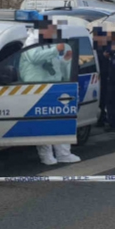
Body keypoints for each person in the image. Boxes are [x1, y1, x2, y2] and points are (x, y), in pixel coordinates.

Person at [20, 23, 81, 165]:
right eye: (51, 29)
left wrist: (65, 60)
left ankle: (63, 154)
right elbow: (35, 58)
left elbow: (56, 66)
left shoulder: (48, 45)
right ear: (42, 30)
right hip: (37, 89)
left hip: (54, 88)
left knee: (60, 122)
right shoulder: (31, 43)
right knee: (44, 124)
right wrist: (55, 50)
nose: (54, 32)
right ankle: (46, 155)